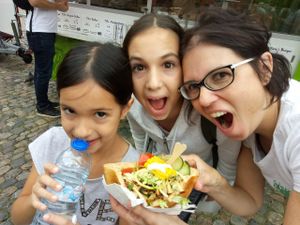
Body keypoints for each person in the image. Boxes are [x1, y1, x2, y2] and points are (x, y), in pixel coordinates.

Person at [111, 7, 300, 225]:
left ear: (265, 67)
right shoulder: (251, 125)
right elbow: (250, 203)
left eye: (221, 75)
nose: (204, 100)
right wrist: (213, 182)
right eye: (194, 86)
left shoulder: (294, 126)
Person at [10, 42, 139, 225]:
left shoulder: (132, 172)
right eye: (70, 110)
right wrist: (34, 199)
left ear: (125, 108)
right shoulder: (53, 143)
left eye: (100, 114)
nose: (81, 131)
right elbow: (18, 219)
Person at [122, 15, 241, 212]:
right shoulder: (134, 106)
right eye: (139, 67)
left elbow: (227, 172)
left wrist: (207, 204)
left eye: (168, 64)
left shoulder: (212, 112)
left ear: (186, 66)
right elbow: (141, 142)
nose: (153, 84)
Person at [26, 0, 69, 117]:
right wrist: (56, 5)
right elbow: (34, 2)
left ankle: (44, 102)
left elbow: (65, 7)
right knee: (43, 71)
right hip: (39, 31)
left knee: (42, 70)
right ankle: (42, 106)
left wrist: (59, 6)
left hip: (46, 31)